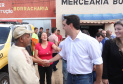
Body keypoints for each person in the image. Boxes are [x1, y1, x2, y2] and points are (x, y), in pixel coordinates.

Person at [43, 15, 103, 84]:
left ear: (70, 25)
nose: (63, 27)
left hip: (84, 79)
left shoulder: (90, 41)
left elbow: (99, 63)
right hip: (70, 77)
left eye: (64, 25)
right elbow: (61, 54)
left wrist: (98, 81)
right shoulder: (67, 41)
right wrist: (49, 61)